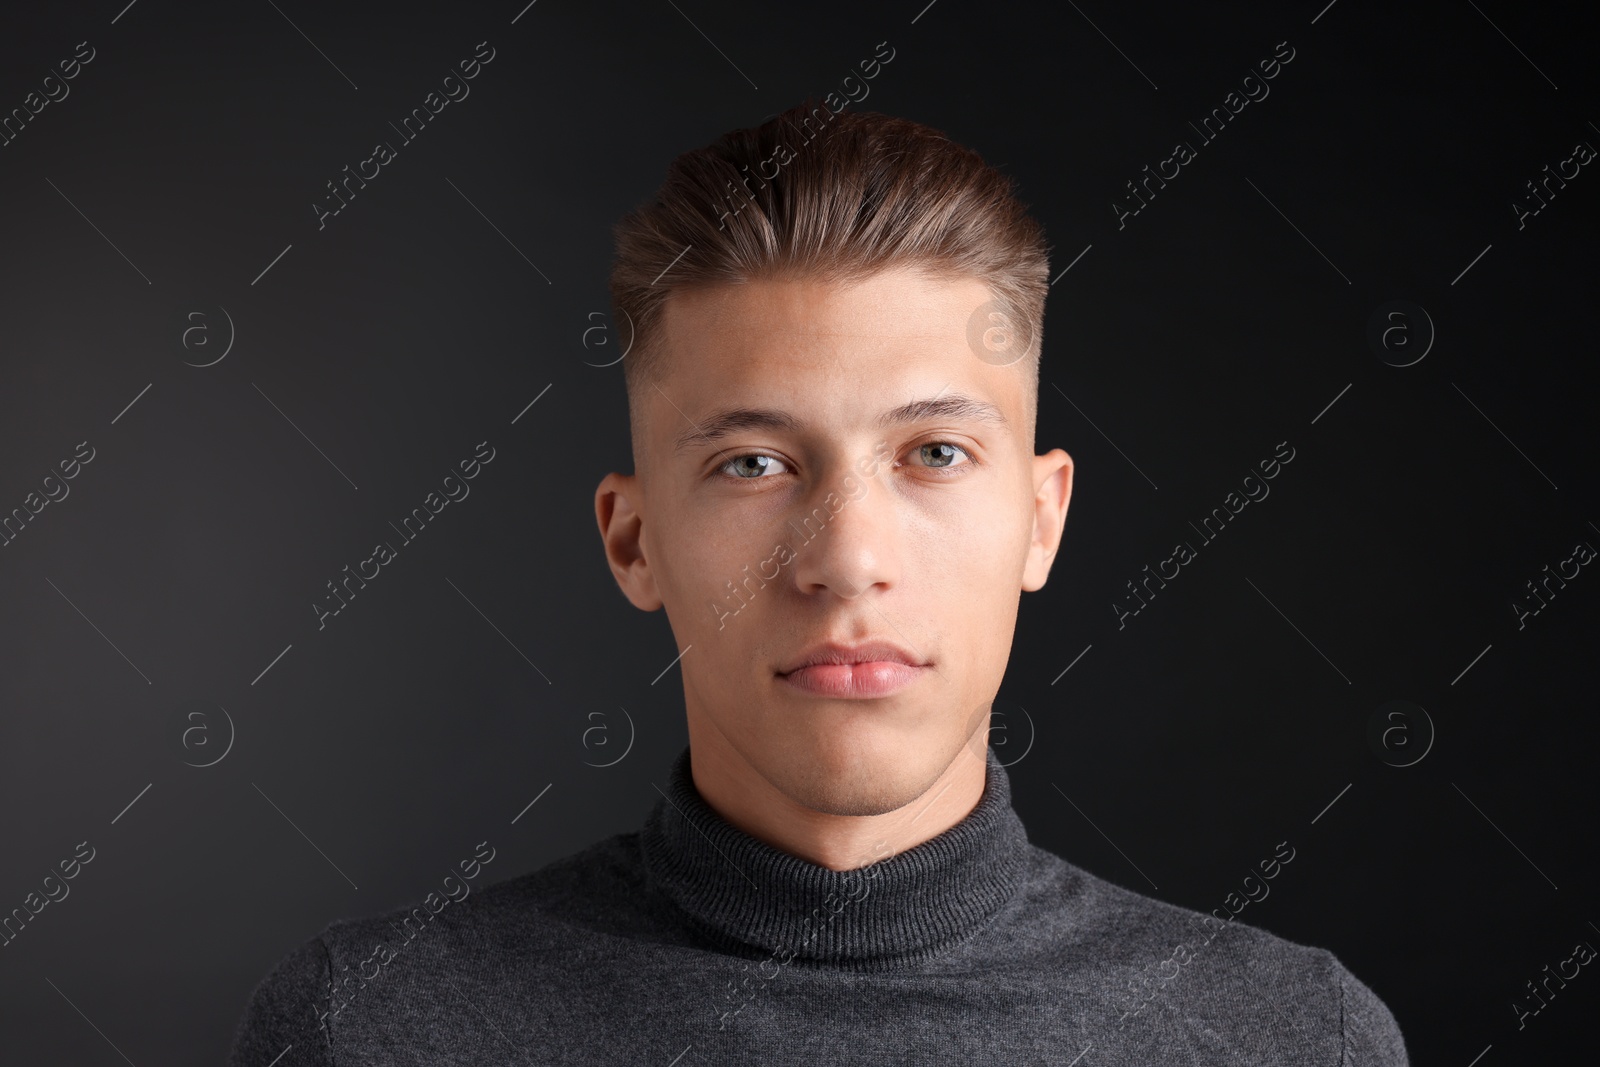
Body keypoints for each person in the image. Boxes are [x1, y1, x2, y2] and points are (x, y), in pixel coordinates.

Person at [228, 101, 1409, 1065]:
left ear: (1040, 520)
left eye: (933, 454)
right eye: (755, 463)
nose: (847, 559)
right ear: (633, 540)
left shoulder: (1293, 1038)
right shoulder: (369, 1026)